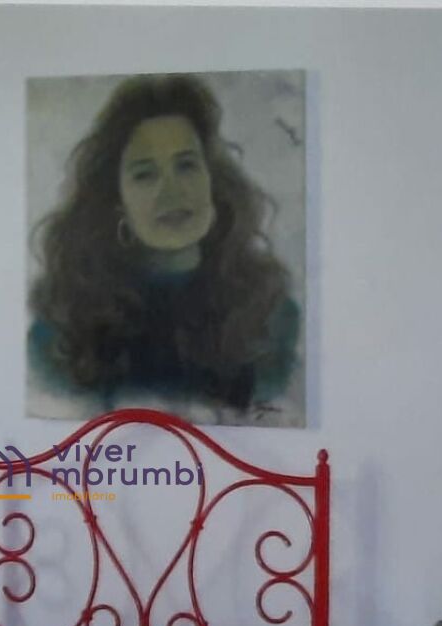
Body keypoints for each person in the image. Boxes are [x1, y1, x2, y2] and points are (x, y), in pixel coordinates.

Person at [28, 73, 300, 416]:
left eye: (186, 166)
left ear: (212, 181)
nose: (172, 191)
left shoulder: (270, 315)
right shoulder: (64, 327)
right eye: (145, 174)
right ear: (117, 201)